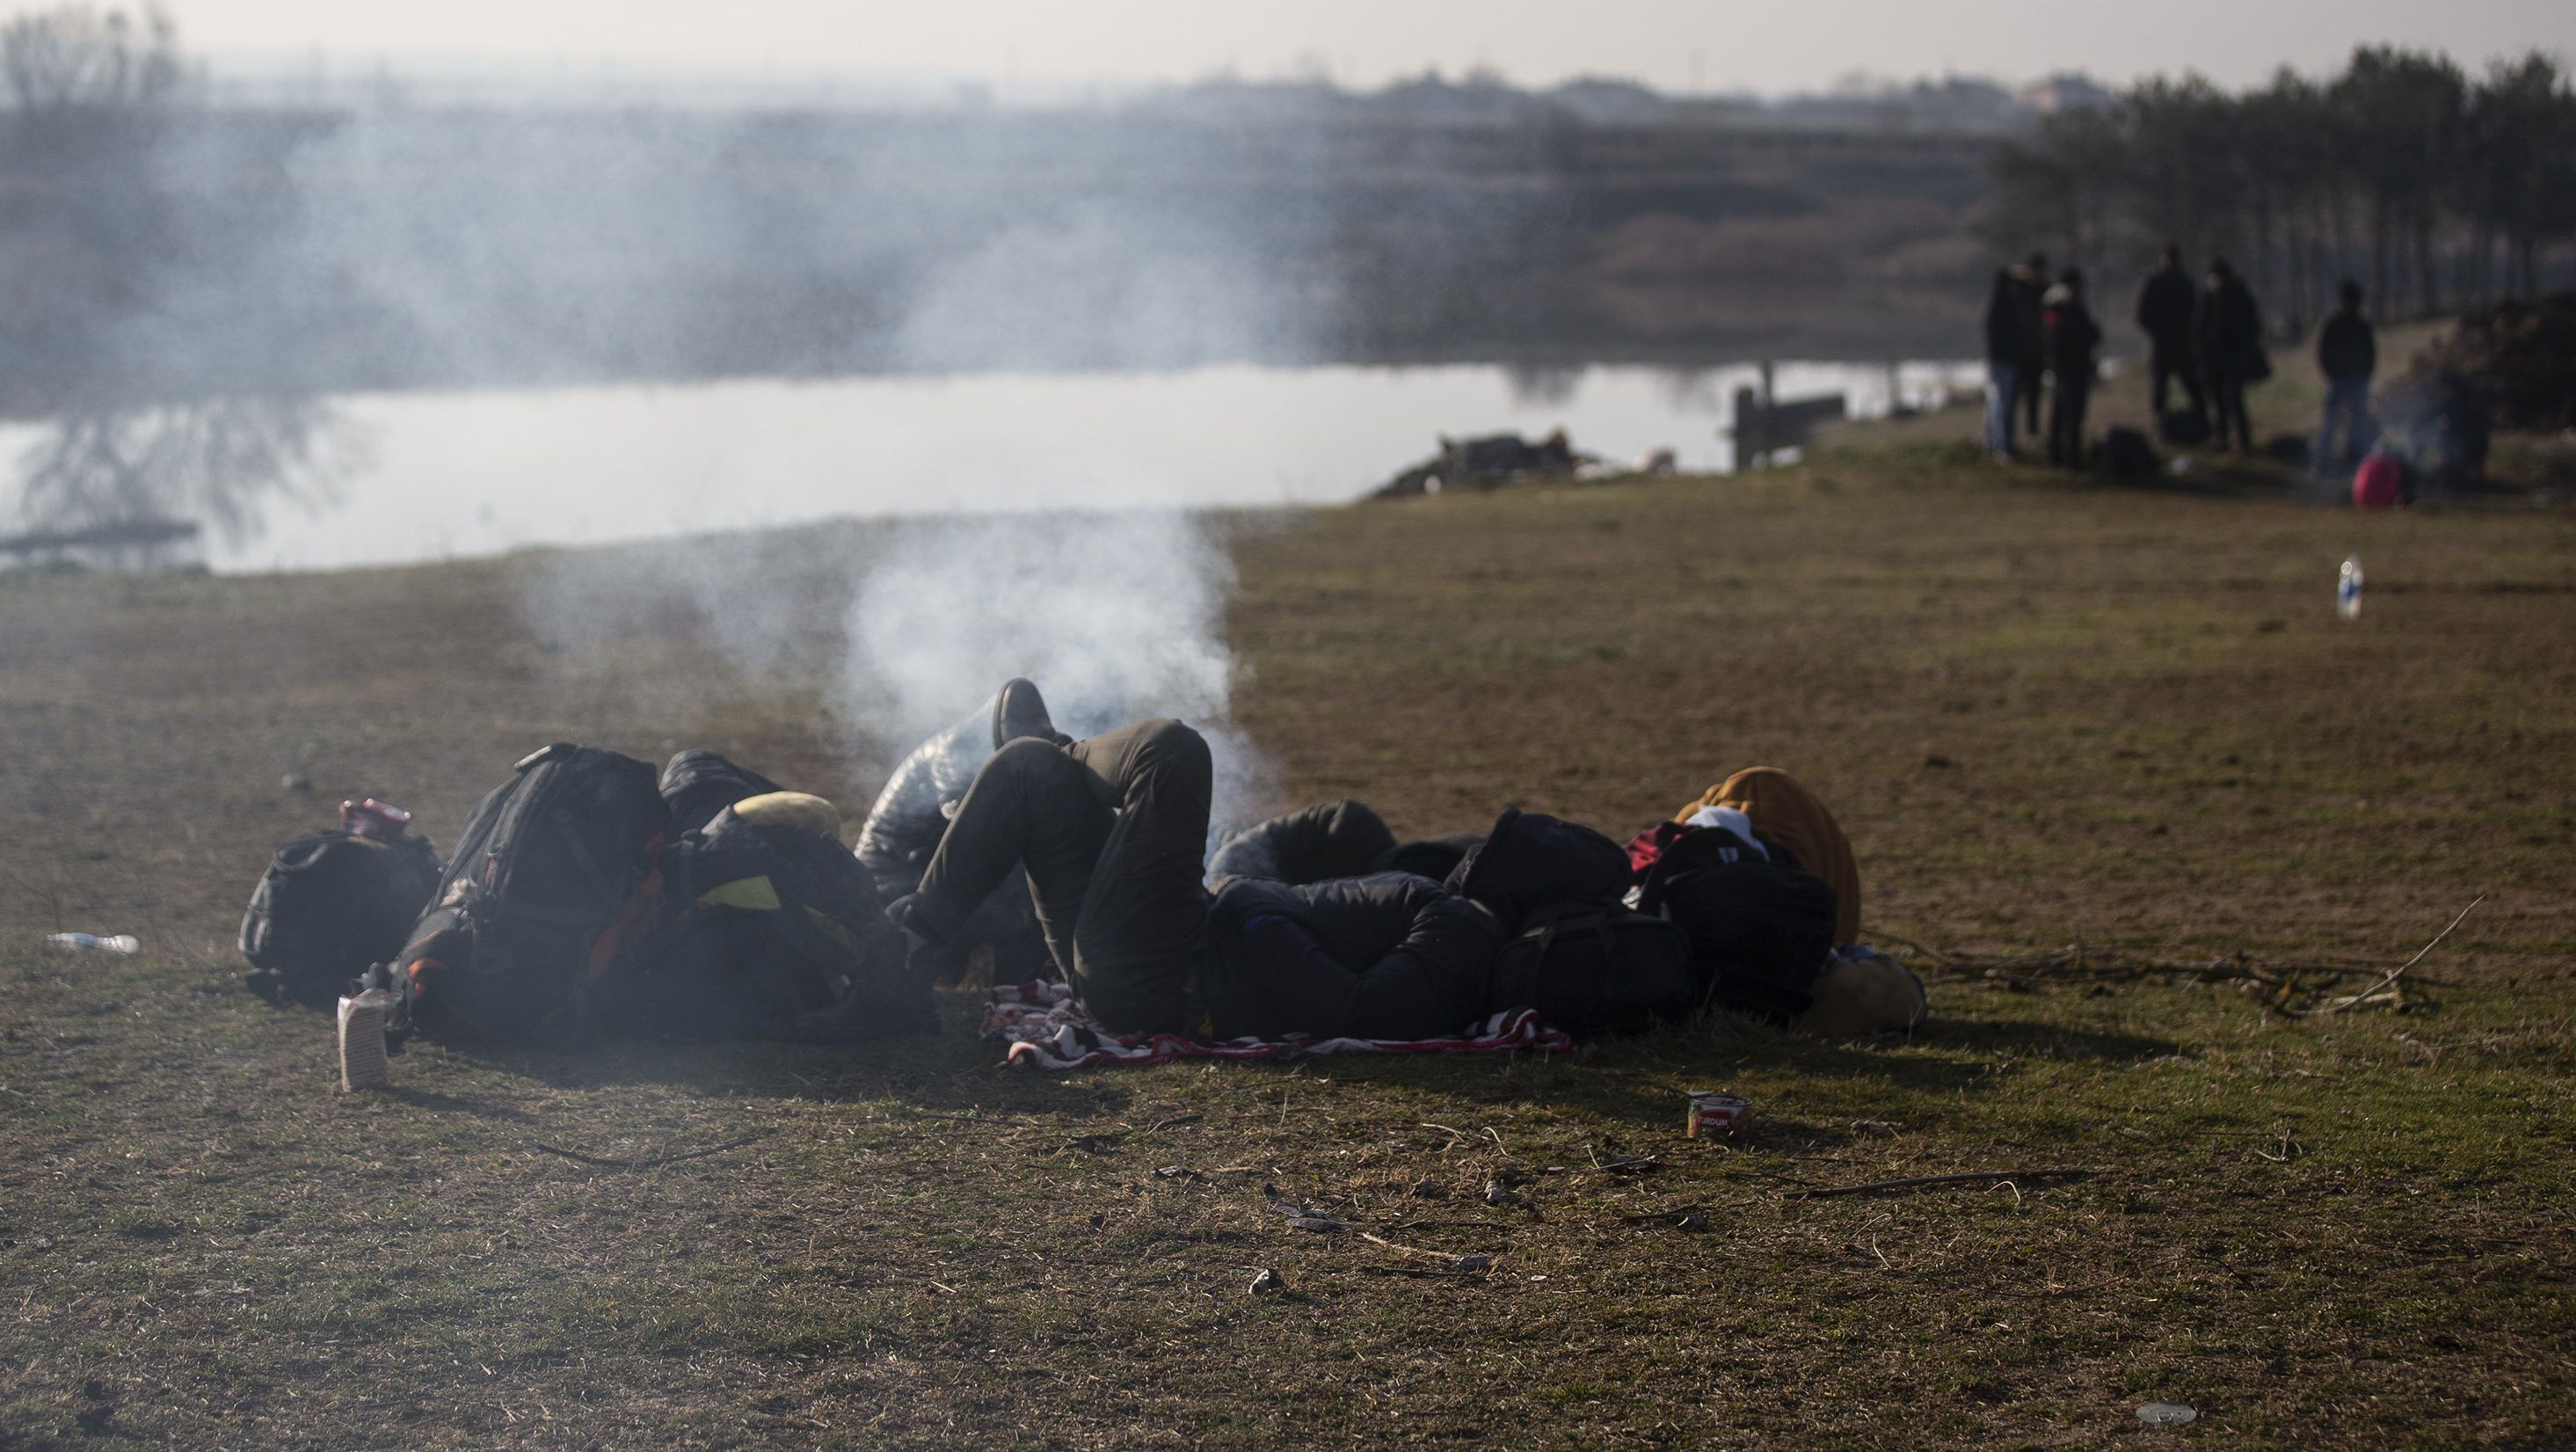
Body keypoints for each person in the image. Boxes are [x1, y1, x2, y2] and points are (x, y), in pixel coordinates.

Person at [2195, 259, 2266, 454]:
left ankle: (2243, 439)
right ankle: (2222, 436)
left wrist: (2244, 350)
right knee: (2217, 400)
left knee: (2234, 399)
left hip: (2235, 358)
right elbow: (2198, 329)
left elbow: (2253, 327)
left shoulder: (2240, 298)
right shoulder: (2208, 298)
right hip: (2213, 359)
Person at [2134, 244, 2205, 431]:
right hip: (2162, 345)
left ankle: (2201, 420)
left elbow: (2195, 315)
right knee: (2160, 387)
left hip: (2182, 345)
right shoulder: (2155, 283)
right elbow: (2143, 315)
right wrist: (2159, 331)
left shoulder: (2185, 283)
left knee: (2192, 384)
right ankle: (2160, 423)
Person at [2313, 280, 2377, 475]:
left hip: (2357, 379)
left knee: (2359, 423)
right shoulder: (2333, 323)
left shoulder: (2362, 324)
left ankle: (2358, 462)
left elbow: (2370, 352)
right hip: (2338, 379)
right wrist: (2330, 373)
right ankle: (2321, 462)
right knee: (2330, 422)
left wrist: (2365, 374)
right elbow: (2323, 351)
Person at [2041, 268, 2101, 470]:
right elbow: (2086, 335)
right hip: (2072, 369)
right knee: (2072, 416)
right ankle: (2071, 458)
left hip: (2062, 369)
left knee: (2061, 414)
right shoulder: (2069, 309)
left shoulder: (2054, 308)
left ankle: (2057, 455)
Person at [1980, 267, 2022, 459]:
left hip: (1996, 362)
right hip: (2004, 363)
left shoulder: (1994, 307)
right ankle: (2002, 445)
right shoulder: (2005, 308)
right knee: (2002, 405)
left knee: (1994, 403)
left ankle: (1993, 442)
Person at [2012, 252, 2049, 443]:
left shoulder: (2045, 291)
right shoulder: (2018, 289)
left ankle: (2032, 430)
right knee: (2014, 395)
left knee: (2034, 395)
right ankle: (2011, 432)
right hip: (2020, 353)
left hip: (2037, 353)